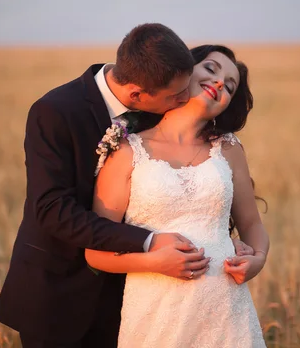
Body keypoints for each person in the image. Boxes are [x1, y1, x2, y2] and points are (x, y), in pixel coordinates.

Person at [0, 24, 253, 347]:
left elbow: (183, 186)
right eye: (176, 96)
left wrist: (226, 244)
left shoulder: (160, 99)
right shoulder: (55, 112)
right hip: (56, 295)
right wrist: (149, 243)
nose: (184, 98)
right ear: (137, 96)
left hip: (136, 299)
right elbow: (52, 210)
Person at [86, 45, 269, 347]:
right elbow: (95, 253)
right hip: (155, 312)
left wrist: (258, 261)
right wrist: (156, 262)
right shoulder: (126, 150)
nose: (220, 82)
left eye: (230, 86)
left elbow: (252, 225)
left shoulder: (229, 149)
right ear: (183, 71)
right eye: (211, 69)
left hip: (226, 313)